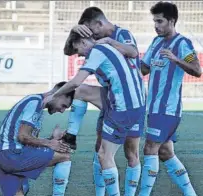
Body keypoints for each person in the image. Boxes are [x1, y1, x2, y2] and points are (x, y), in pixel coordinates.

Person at [61, 7, 145, 196]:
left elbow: (132, 52)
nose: (91, 34)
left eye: (91, 30)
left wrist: (109, 41)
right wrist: (73, 31)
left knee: (130, 152)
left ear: (99, 23)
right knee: (101, 148)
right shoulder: (95, 42)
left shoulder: (121, 35)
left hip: (127, 99)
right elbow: (69, 50)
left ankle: (71, 136)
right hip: (114, 97)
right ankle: (71, 137)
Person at [0, 81, 75, 196]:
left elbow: (28, 140)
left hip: (0, 157)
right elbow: (23, 137)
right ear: (59, 94)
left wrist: (51, 139)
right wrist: (50, 143)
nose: (62, 111)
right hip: (12, 154)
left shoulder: (34, 102)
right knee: (64, 156)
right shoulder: (36, 102)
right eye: (63, 106)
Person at [138, 2, 201, 196]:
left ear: (171, 21)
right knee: (165, 153)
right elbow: (144, 68)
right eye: (154, 21)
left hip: (167, 108)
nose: (156, 25)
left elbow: (197, 70)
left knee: (150, 148)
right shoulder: (156, 42)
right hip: (153, 108)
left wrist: (176, 59)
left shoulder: (182, 44)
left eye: (160, 21)